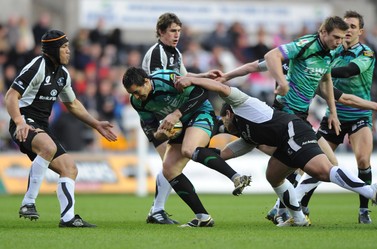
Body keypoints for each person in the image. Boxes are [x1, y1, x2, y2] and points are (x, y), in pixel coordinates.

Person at [175, 75, 377, 227]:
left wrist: (192, 79)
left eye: (223, 120)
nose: (223, 126)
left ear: (229, 113)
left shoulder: (242, 103)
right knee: (273, 175)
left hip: (294, 131)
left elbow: (221, 87)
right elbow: (225, 154)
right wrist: (204, 154)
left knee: (323, 171)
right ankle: (297, 219)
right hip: (286, 141)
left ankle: (371, 192)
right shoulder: (245, 134)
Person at [5, 30, 118, 227]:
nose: (68, 51)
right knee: (48, 147)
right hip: (23, 122)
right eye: (64, 48)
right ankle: (28, 202)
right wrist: (20, 121)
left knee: (70, 169)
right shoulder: (37, 66)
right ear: (52, 50)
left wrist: (96, 124)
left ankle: (68, 219)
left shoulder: (63, 74)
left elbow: (72, 104)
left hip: (41, 126)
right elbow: (11, 96)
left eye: (68, 47)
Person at [122, 67, 251, 227]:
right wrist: (159, 135)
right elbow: (150, 126)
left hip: (200, 113)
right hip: (179, 125)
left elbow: (201, 93)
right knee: (168, 169)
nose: (136, 96)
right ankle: (203, 217)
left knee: (189, 149)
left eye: (137, 91)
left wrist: (176, 114)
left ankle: (236, 177)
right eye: (132, 93)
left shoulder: (165, 79)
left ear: (147, 81)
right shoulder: (136, 102)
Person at [295, 10, 377, 224]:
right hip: (334, 115)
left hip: (359, 114)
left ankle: (364, 210)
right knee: (316, 162)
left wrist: (319, 70)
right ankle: (302, 206)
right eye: (345, 26)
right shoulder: (332, 50)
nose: (348, 30)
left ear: (361, 31)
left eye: (353, 27)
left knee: (363, 160)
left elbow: (348, 71)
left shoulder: (366, 53)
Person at [141, 12, 224, 225]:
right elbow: (159, 86)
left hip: (169, 115)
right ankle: (156, 210)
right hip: (156, 117)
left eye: (179, 31)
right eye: (172, 31)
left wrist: (205, 76)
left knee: (172, 165)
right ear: (160, 32)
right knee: (170, 164)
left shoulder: (175, 52)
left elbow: (183, 77)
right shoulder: (158, 54)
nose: (176, 35)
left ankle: (156, 210)